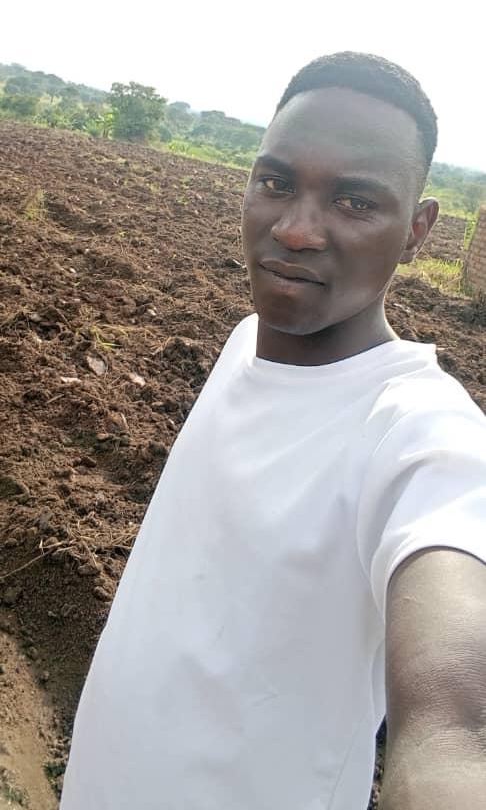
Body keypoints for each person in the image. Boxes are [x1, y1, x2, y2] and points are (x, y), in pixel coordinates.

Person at [60, 52, 486, 810]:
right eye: (277, 183)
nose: (293, 230)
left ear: (419, 229)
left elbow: (453, 727)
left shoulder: (422, 433)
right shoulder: (241, 343)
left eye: (355, 203)